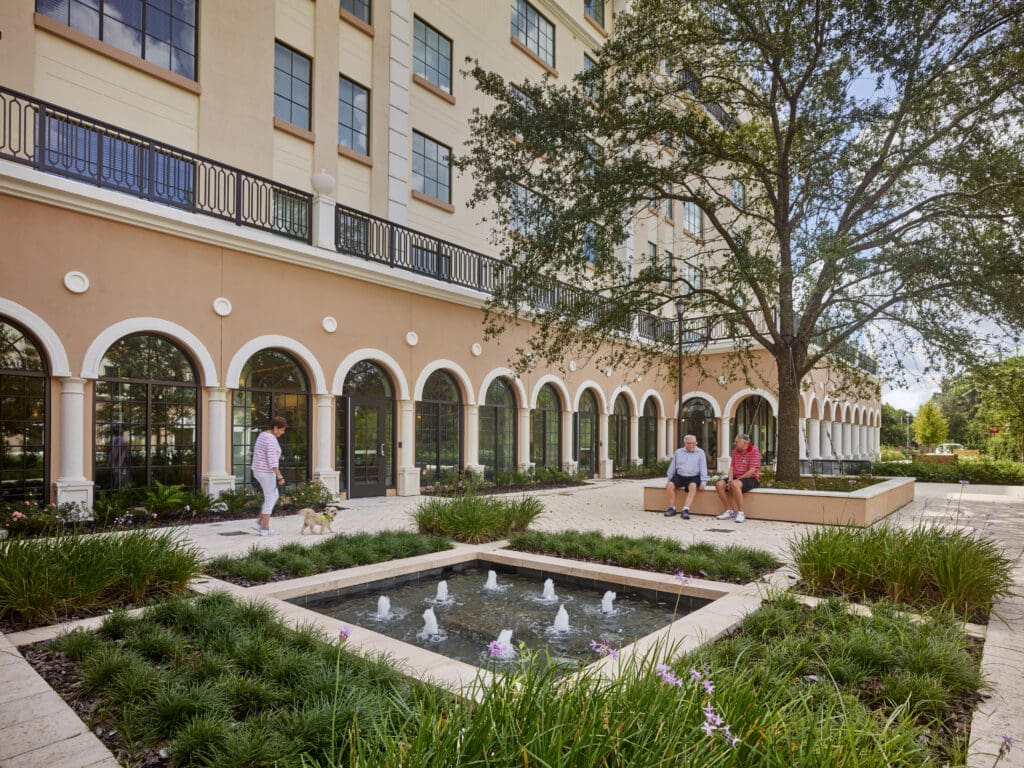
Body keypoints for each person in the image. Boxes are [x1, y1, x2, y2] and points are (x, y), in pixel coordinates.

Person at [251, 415, 287, 536]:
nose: (282, 433)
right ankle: (265, 529)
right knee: (270, 498)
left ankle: (259, 522)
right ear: (275, 428)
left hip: (258, 470)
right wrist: (279, 476)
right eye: (282, 430)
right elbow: (272, 460)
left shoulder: (262, 435)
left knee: (273, 495)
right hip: (266, 472)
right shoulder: (270, 439)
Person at [715, 433, 761, 523]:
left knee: (736, 484)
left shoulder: (754, 450)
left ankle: (741, 513)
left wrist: (735, 481)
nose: (734, 443)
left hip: (751, 478)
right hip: (736, 478)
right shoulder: (735, 451)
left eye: (737, 442)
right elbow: (731, 468)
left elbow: (752, 471)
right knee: (719, 484)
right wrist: (730, 480)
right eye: (735, 441)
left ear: (745, 443)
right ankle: (729, 511)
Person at [664, 434, 708, 519]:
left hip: (694, 477)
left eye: (694, 443)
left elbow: (703, 467)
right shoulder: (678, 452)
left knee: (693, 486)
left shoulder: (700, 452)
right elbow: (672, 467)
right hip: (680, 476)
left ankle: (685, 510)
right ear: (685, 443)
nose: (693, 445)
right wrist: (669, 480)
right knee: (669, 486)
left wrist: (703, 482)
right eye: (690, 443)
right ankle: (671, 508)